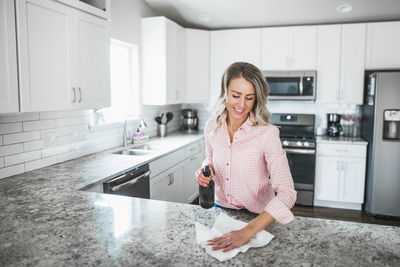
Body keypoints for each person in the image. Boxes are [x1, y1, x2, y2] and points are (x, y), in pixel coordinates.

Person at [195, 62, 296, 253]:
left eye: (249, 98)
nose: (241, 105)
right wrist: (206, 170)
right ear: (225, 91)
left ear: (257, 99)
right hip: (221, 211)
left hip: (258, 219)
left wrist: (248, 230)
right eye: (235, 96)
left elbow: (287, 193)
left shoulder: (267, 133)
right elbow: (209, 158)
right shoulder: (211, 126)